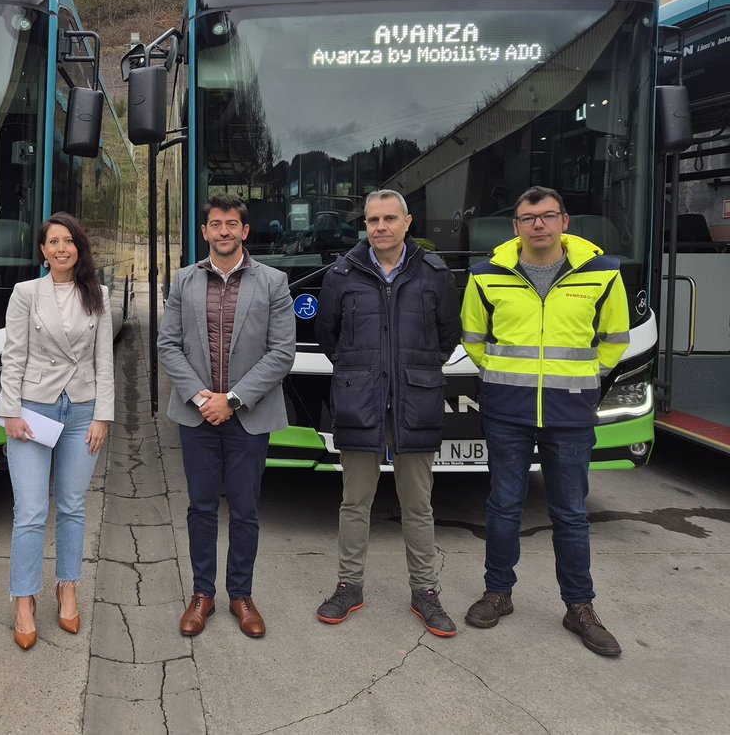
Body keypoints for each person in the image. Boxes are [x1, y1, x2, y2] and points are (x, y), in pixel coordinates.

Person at [461, 186, 630, 656]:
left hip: (571, 413)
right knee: (503, 507)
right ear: (515, 226)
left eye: (547, 216)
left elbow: (615, 338)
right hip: (507, 412)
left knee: (572, 514)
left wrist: (586, 378)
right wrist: (499, 378)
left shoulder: (601, 273)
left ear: (564, 222)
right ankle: (498, 593)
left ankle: (579, 607)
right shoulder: (486, 274)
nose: (539, 224)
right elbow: (474, 337)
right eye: (528, 217)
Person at [313, 189, 462, 636]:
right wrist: (367, 373)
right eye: (373, 219)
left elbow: (446, 338)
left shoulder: (435, 274)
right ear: (365, 224)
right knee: (354, 502)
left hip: (415, 402)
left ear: (407, 222)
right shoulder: (342, 274)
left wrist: (408, 372)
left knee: (418, 505)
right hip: (360, 401)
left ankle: (426, 592)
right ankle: (348, 586)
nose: (380, 227)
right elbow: (329, 336)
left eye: (389, 219)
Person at [158, 192, 296, 638]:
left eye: (231, 224)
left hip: (247, 417)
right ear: (204, 232)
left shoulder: (273, 282)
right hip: (197, 416)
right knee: (200, 508)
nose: (223, 231)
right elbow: (168, 345)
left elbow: (281, 353)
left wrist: (232, 399)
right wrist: (202, 397)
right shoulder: (182, 282)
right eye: (215, 224)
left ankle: (241, 594)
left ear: (244, 231)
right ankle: (203, 595)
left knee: (244, 509)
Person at [0, 213, 114, 650]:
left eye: (69, 241)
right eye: (53, 242)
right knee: (29, 510)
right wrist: (10, 410)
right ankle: (24, 599)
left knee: (72, 505)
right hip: (33, 410)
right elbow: (13, 355)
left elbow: (104, 360)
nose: (62, 248)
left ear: (79, 248)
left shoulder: (98, 294)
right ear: (43, 251)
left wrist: (103, 415)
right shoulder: (25, 293)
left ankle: (68, 586)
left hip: (82, 411)